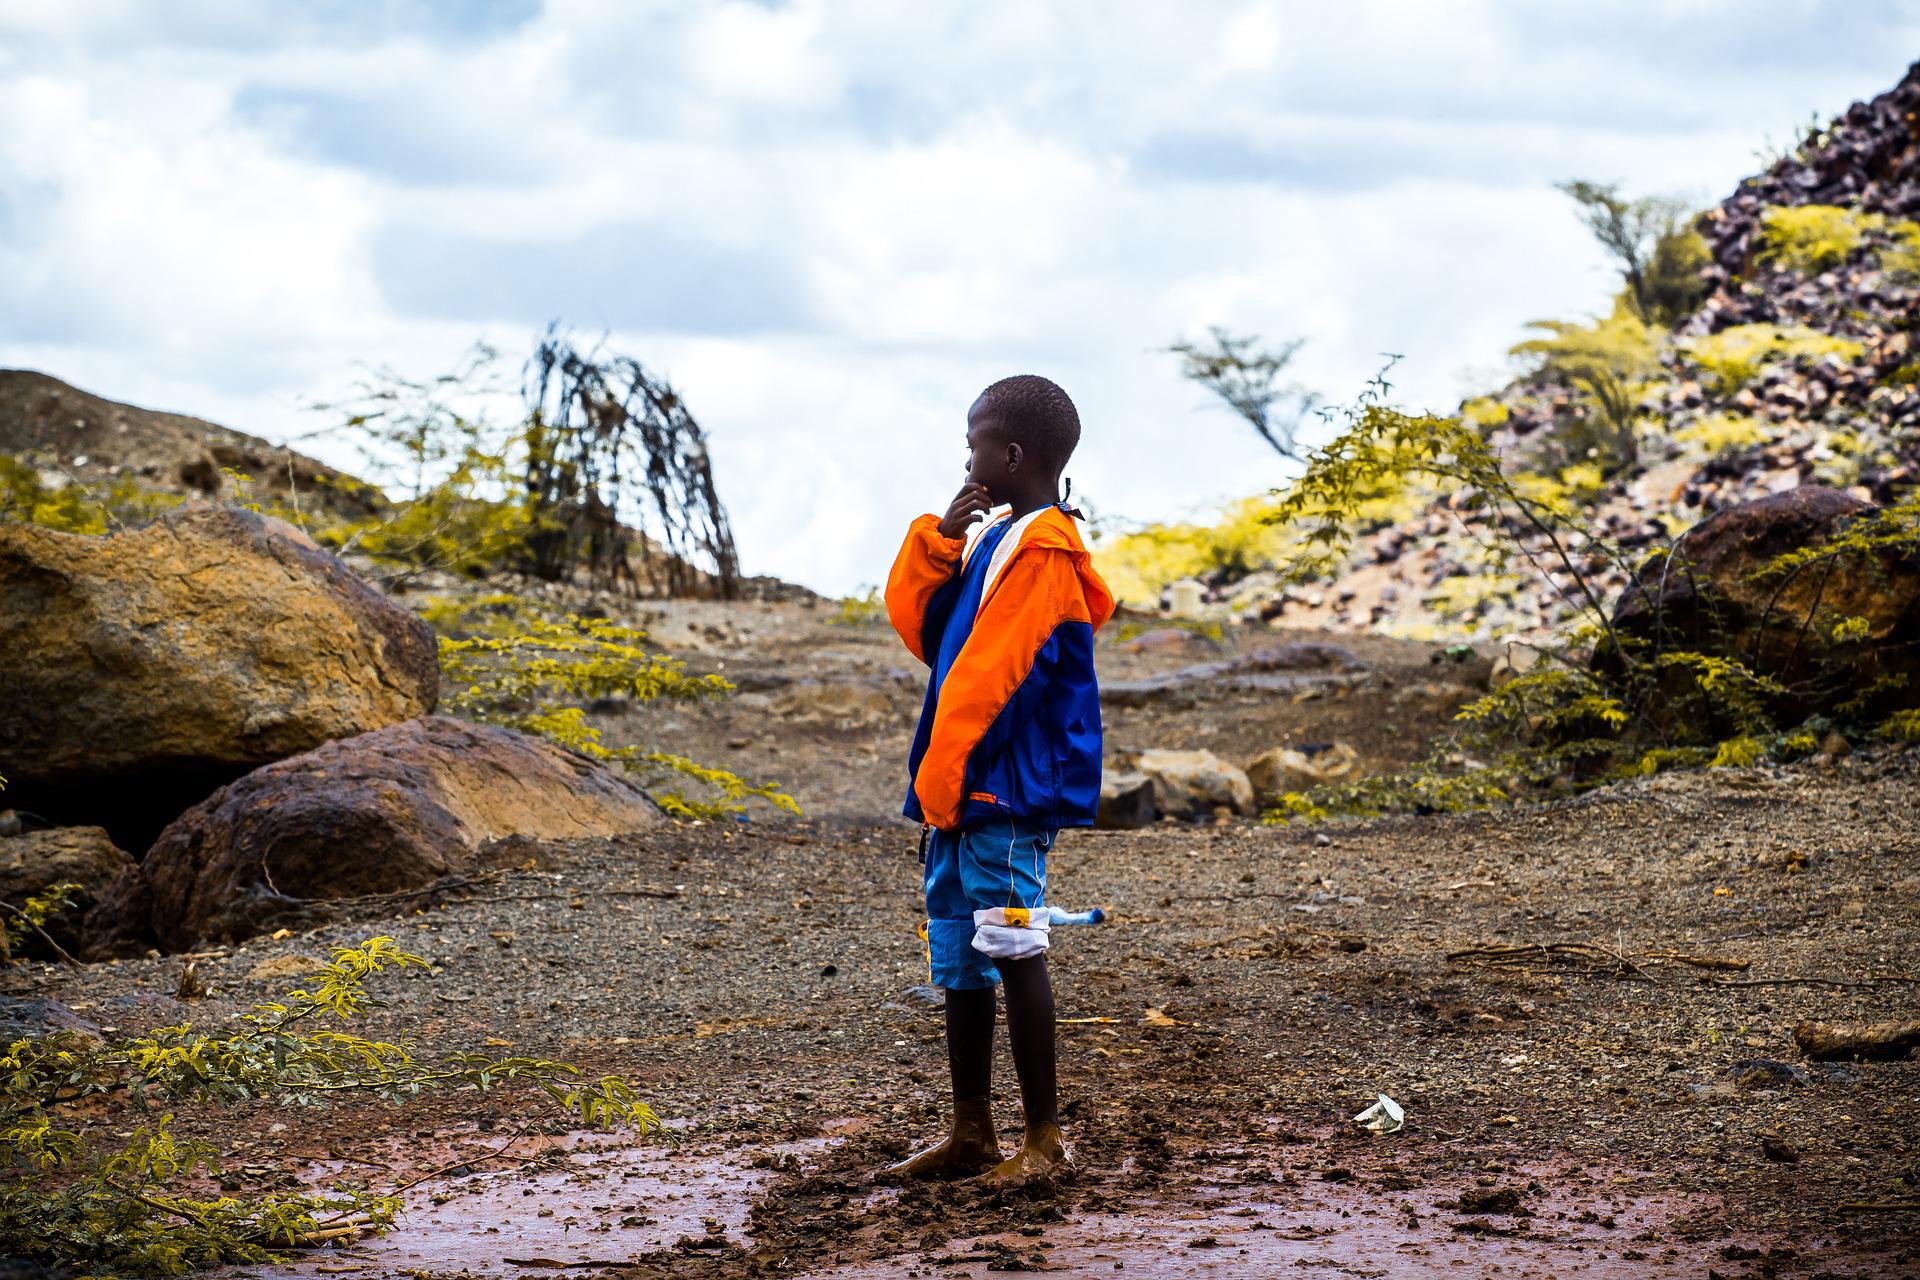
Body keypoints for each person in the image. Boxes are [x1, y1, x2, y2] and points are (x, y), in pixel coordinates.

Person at [882, 374, 1114, 1183]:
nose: (967, 453)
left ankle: (1045, 1143)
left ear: (1011, 454)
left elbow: (999, 679)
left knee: (1016, 945)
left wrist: (948, 779)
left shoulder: (1046, 551)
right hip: (965, 785)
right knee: (961, 950)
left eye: (976, 439)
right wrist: (938, 543)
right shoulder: (992, 540)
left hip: (1002, 789)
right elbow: (930, 636)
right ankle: (972, 1133)